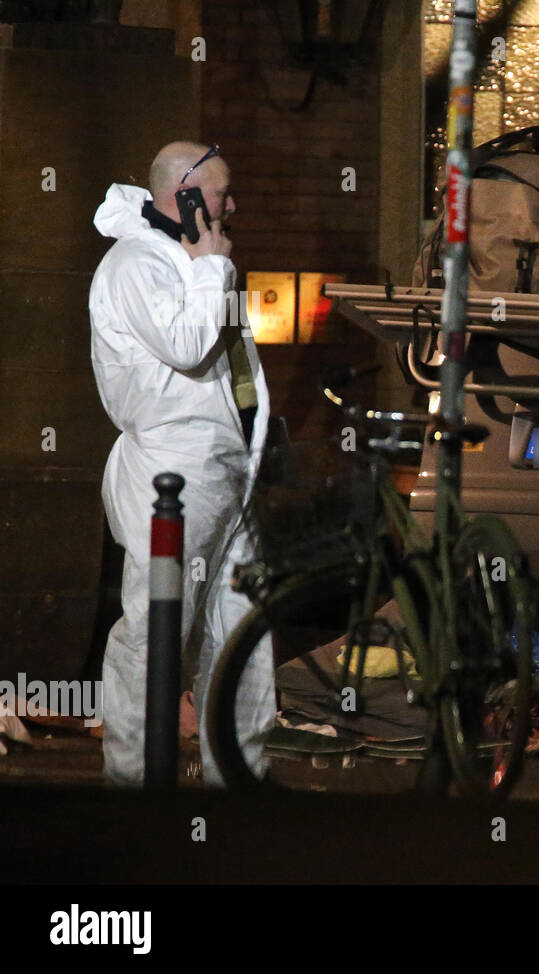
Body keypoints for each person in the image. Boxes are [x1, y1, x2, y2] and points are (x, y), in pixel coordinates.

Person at [89, 141, 274, 786]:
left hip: (228, 470)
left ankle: (239, 778)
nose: (233, 206)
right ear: (187, 195)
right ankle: (135, 785)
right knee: (156, 633)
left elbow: (227, 364)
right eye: (222, 194)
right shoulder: (137, 263)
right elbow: (190, 346)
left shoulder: (188, 260)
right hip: (172, 471)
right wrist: (208, 266)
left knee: (244, 631)